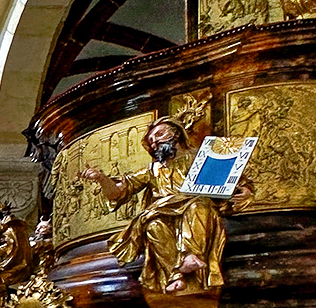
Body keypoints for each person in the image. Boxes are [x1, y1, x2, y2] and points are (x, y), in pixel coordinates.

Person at [80, 118, 228, 293]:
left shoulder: (199, 158)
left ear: (177, 133)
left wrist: (245, 191)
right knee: (153, 227)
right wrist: (101, 178)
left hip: (195, 208)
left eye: (159, 134)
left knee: (198, 206)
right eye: (151, 140)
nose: (155, 141)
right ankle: (176, 274)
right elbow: (117, 193)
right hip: (163, 213)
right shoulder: (152, 170)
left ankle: (189, 256)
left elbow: (229, 180)